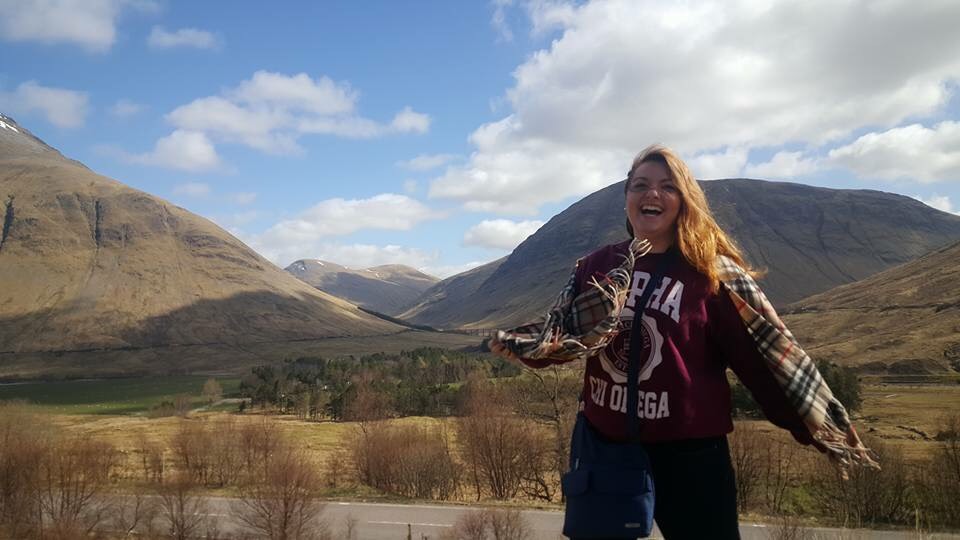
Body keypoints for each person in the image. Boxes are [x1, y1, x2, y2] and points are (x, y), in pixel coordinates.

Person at [489, 144, 873, 540]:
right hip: (606, 449)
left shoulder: (713, 277)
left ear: (683, 202)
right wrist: (523, 346)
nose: (651, 194)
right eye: (640, 185)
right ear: (626, 199)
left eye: (667, 187)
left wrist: (810, 425)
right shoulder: (597, 266)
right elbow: (563, 333)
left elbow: (761, 361)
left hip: (691, 458)